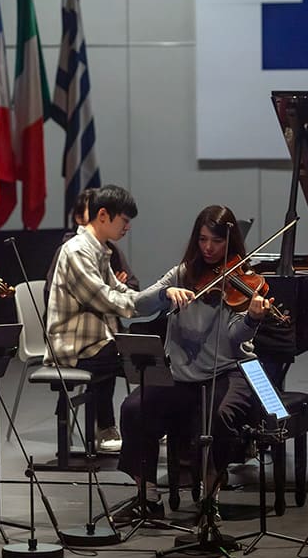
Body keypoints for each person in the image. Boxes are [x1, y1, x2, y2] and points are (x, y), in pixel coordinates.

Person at [115, 204, 275, 521]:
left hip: (226, 372)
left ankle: (209, 498)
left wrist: (252, 320)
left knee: (218, 418)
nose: (208, 248)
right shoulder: (181, 273)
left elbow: (234, 340)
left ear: (230, 242)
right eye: (203, 239)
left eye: (216, 241)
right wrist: (165, 293)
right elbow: (136, 306)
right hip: (180, 375)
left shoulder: (241, 282)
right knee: (134, 409)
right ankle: (148, 497)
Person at [44, 184, 151, 454]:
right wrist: (147, 303)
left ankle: (148, 422)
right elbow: (103, 298)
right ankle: (117, 426)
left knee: (147, 347)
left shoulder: (99, 249)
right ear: (103, 215)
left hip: (93, 342)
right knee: (136, 354)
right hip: (72, 347)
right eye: (124, 220)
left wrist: (155, 297)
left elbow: (120, 289)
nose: (127, 227)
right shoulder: (77, 251)